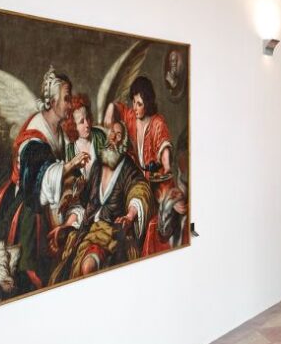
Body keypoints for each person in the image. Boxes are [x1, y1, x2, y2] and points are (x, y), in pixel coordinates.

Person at [0, 66, 89, 292]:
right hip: (28, 202)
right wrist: (70, 166)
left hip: (51, 199)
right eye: (66, 99)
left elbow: (65, 161)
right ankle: (31, 274)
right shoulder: (35, 133)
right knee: (32, 232)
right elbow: (37, 177)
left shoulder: (59, 130)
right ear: (52, 101)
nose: (70, 105)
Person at [49, 121, 153, 282]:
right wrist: (67, 225)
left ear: (123, 142)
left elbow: (139, 190)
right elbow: (83, 204)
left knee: (88, 266)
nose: (114, 138)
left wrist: (130, 216)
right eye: (112, 133)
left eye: (119, 135)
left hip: (111, 232)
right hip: (88, 231)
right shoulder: (97, 166)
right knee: (61, 276)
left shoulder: (127, 167)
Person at [104, 75, 186, 255]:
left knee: (168, 211)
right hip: (137, 180)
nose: (135, 107)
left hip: (157, 181)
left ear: (147, 103)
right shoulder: (132, 117)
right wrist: (110, 113)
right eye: (133, 102)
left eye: (139, 103)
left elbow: (164, 147)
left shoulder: (157, 123)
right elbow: (117, 108)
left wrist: (165, 163)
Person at [62, 94, 106, 179]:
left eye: (87, 118)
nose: (87, 124)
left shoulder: (100, 137)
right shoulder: (69, 150)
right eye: (81, 122)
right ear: (73, 126)